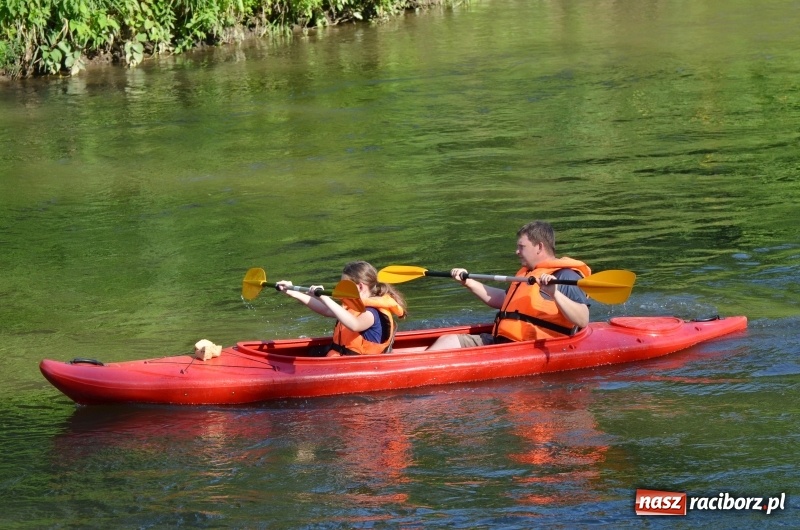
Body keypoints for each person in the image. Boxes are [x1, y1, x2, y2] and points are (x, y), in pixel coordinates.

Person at [426, 221, 590, 351]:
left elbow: (583, 319)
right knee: (447, 340)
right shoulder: (527, 273)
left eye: (521, 247)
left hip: (530, 348)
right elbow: (502, 299)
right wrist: (467, 282)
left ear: (539, 247)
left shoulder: (565, 276)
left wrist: (555, 294)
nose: (517, 252)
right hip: (502, 341)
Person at [276, 261, 407, 357]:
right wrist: (292, 292)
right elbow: (327, 310)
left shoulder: (371, 313)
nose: (340, 288)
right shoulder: (354, 307)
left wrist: (324, 297)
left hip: (359, 365)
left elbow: (354, 325)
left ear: (360, 287)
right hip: (339, 358)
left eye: (344, 284)